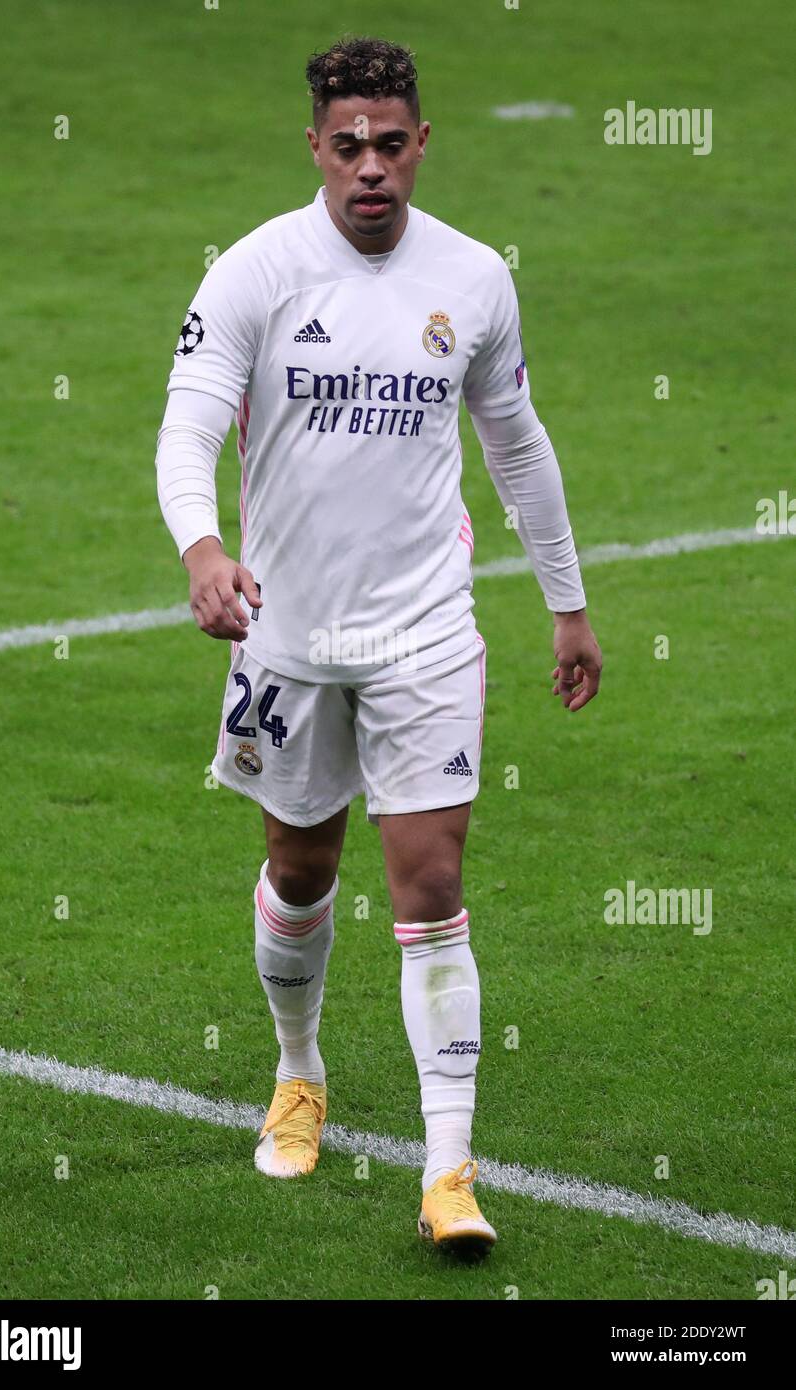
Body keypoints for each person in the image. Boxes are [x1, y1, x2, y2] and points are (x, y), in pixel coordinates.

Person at [155, 35, 602, 1254]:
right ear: (314, 145)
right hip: (285, 637)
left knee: (433, 891)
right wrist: (203, 549)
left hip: (424, 636)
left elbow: (514, 445)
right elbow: (187, 426)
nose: (369, 169)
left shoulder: (471, 278)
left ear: (420, 144)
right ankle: (298, 1071)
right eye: (346, 144)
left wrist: (564, 601)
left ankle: (447, 1171)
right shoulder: (255, 271)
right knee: (300, 874)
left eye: (389, 144)